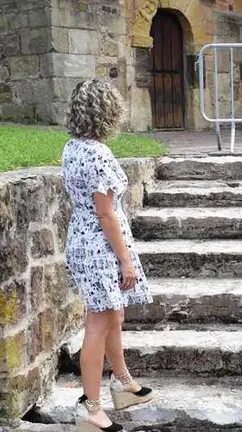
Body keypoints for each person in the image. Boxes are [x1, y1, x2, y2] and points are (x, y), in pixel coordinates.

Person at [62, 78, 154, 432]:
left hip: (84, 240)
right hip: (99, 244)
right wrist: (126, 261)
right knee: (99, 323)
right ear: (108, 112)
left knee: (114, 315)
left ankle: (124, 382)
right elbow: (105, 214)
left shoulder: (73, 147)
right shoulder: (99, 154)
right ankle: (92, 408)